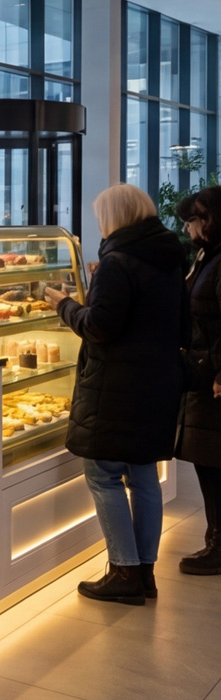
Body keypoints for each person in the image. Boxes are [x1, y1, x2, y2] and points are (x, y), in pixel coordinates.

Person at [44, 183, 188, 605]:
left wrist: (64, 304)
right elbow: (180, 323)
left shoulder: (117, 262)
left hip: (116, 386)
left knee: (102, 473)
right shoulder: (168, 258)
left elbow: (99, 327)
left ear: (113, 217)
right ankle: (145, 574)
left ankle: (123, 571)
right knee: (143, 477)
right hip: (157, 382)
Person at [175, 185, 221, 576]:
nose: (189, 228)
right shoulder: (207, 255)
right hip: (202, 370)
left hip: (213, 376)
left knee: (213, 462)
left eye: (195, 219)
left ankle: (218, 546)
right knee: (208, 461)